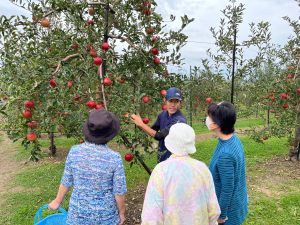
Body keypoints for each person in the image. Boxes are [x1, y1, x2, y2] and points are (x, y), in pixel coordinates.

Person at [48, 109, 127, 225]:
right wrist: (122, 212)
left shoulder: (74, 151)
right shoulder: (114, 158)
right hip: (106, 217)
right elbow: (119, 191)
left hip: (77, 215)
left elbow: (66, 180)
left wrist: (57, 201)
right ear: (110, 134)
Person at [141, 123, 220, 225]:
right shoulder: (202, 169)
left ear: (170, 143)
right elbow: (214, 210)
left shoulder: (161, 171)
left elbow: (151, 216)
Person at [206, 101, 248, 225]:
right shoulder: (233, 139)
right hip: (238, 200)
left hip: (229, 213)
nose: (207, 119)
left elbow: (227, 189)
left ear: (216, 125)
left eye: (209, 117)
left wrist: (221, 216)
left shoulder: (226, 155)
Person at [131, 87, 186, 163]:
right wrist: (137, 120)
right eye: (170, 101)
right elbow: (153, 130)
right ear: (165, 100)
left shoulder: (179, 121)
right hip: (162, 157)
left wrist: (141, 124)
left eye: (176, 101)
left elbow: (159, 136)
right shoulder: (163, 114)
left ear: (180, 103)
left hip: (175, 160)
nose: (173, 105)